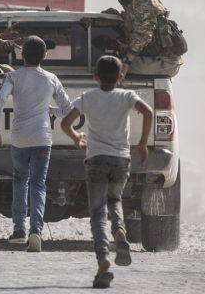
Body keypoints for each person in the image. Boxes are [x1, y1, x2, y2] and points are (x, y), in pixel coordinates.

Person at [61, 55, 153, 289]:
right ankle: (120, 232)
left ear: (95, 77)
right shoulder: (126, 96)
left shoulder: (88, 98)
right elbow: (149, 112)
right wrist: (142, 144)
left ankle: (103, 260)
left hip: (96, 160)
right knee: (115, 199)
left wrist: (76, 138)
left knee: (98, 212)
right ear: (121, 76)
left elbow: (65, 123)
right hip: (121, 160)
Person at [0, 36, 72, 253]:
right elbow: (68, 109)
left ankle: (19, 230)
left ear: (21, 55)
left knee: (20, 180)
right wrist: (53, 110)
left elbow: (0, 99)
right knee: (38, 184)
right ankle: (36, 230)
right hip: (43, 137)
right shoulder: (51, 78)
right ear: (45, 56)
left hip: (19, 137)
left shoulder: (13, 76)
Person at [105, 0, 184, 77]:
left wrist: (127, 60)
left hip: (164, 61)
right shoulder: (132, 4)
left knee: (113, 68)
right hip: (153, 58)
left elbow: (144, 33)